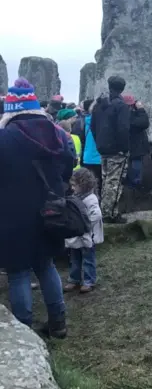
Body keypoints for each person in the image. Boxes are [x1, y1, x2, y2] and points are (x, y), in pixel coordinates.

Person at [0, 78, 74, 337]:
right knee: (46, 265)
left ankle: (24, 332)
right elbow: (68, 166)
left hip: (12, 213)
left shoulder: (4, 138)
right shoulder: (57, 132)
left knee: (19, 272)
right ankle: (58, 323)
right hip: (50, 210)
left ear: (11, 109)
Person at [91, 75, 131, 223]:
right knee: (114, 181)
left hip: (103, 148)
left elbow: (93, 127)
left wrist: (99, 143)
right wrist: (124, 148)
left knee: (106, 179)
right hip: (116, 149)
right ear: (122, 88)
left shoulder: (99, 105)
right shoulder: (121, 106)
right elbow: (123, 128)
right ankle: (111, 213)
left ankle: (104, 210)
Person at [64, 168, 104, 294]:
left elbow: (96, 215)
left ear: (83, 185)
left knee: (88, 259)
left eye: (74, 185)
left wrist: (86, 226)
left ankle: (89, 281)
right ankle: (74, 279)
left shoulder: (91, 199)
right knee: (74, 258)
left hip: (87, 236)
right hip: (77, 235)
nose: (72, 188)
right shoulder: (76, 197)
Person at [124, 95, 150, 187]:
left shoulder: (124, 115)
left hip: (130, 146)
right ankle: (134, 185)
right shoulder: (129, 116)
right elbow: (144, 123)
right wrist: (141, 109)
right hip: (135, 147)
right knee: (135, 169)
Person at [82, 100, 102, 196]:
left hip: (87, 156)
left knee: (89, 184)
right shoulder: (100, 123)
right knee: (99, 184)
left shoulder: (86, 121)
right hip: (98, 157)